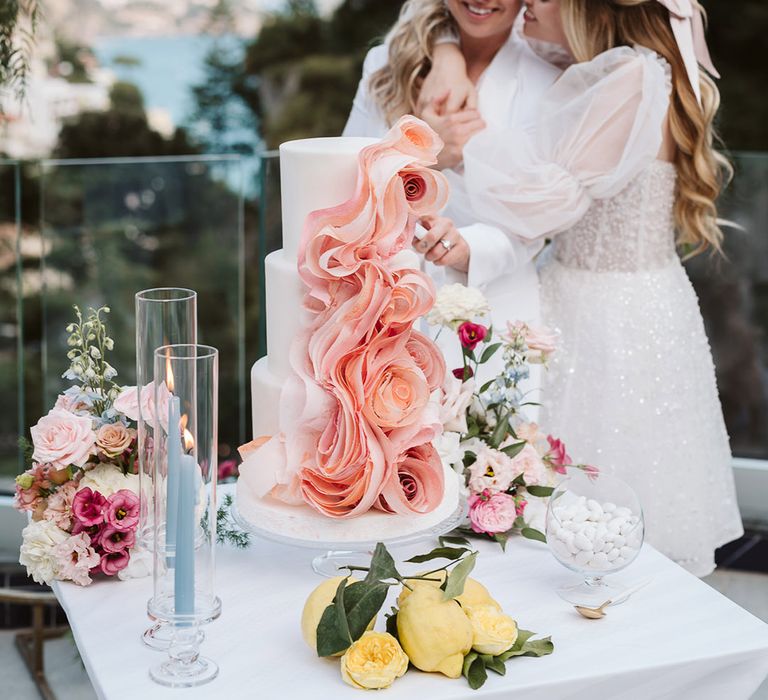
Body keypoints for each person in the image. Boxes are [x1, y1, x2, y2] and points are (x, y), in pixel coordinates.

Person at [439, 0, 743, 575]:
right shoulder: (639, 70)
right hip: (642, 300)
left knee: (598, 499)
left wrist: (459, 151)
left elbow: (546, 200)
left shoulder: (629, 76)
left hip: (605, 314)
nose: (528, 2)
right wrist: (446, 51)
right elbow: (459, 26)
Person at [343, 0, 562, 386]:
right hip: (380, 307)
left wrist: (471, 247)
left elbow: (540, 217)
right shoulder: (385, 62)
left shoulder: (550, 80)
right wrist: (425, 156)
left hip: (494, 312)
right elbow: (343, 180)